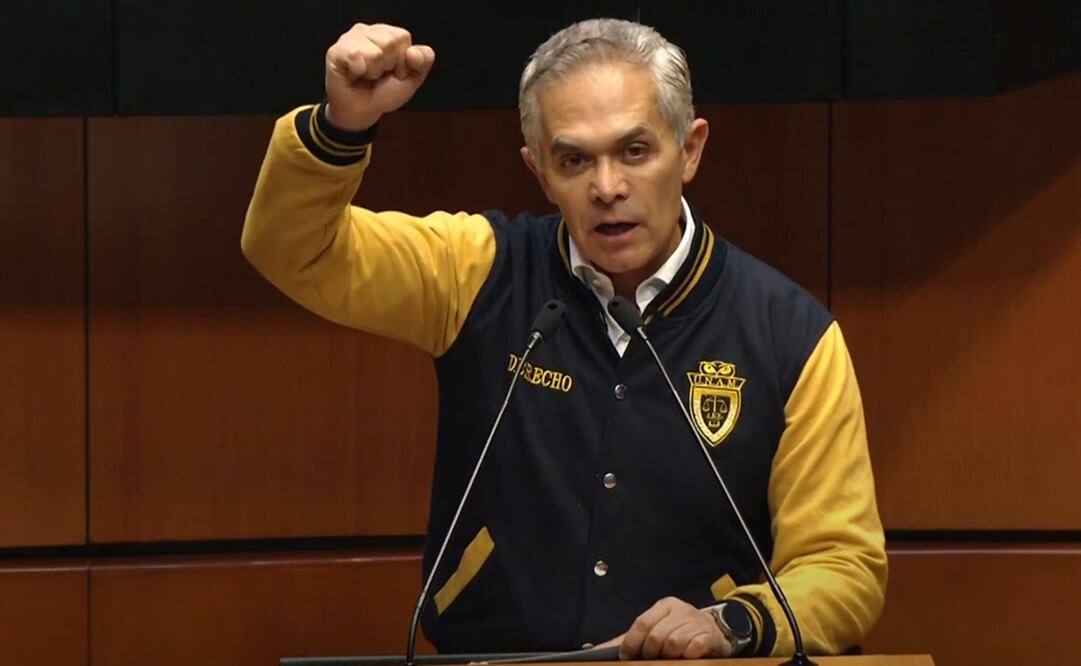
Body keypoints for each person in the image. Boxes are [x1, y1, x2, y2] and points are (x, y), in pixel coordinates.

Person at [242, 19, 887, 660]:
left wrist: (734, 623)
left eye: (635, 151)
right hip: (498, 655)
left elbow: (842, 564)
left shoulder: (790, 334)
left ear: (690, 150)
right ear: (539, 171)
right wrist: (340, 125)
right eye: (574, 160)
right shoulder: (476, 272)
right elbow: (296, 249)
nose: (607, 187)